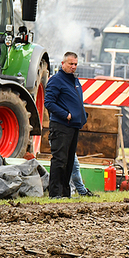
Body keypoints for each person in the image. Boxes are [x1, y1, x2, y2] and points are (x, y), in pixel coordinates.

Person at [44, 52, 88, 198]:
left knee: (69, 161)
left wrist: (82, 115)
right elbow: (49, 103)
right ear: (63, 64)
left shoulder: (75, 81)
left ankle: (65, 193)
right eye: (70, 64)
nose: (73, 67)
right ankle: (55, 193)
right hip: (61, 125)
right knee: (59, 160)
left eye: (75, 64)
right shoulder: (56, 80)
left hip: (74, 126)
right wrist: (66, 115)